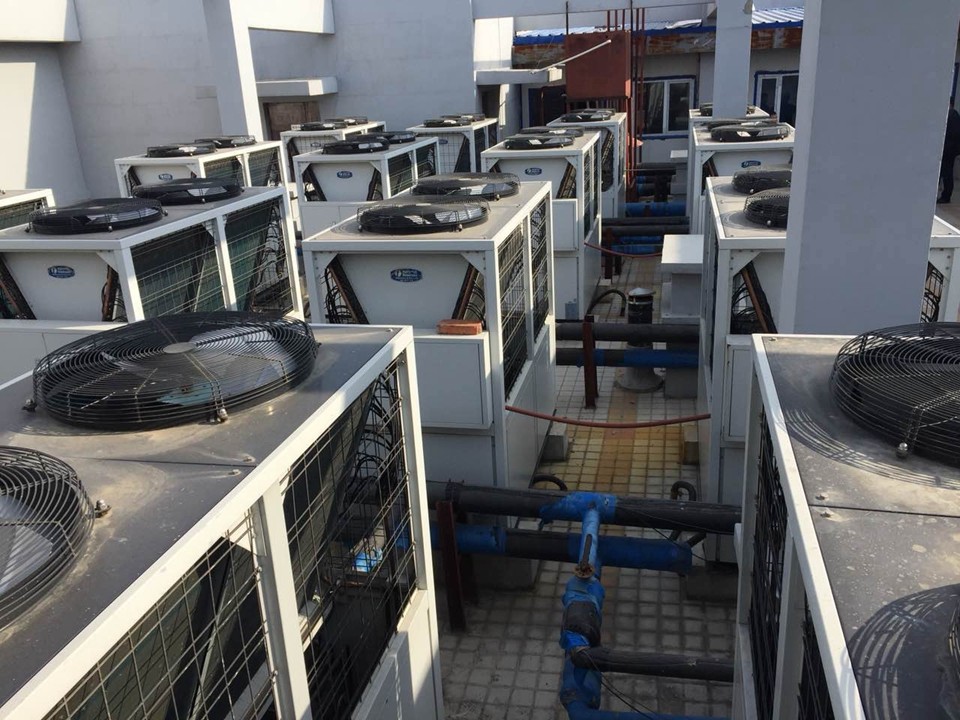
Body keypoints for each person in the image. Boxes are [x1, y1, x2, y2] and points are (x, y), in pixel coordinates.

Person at [939, 101, 960, 204]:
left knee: (947, 172)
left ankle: (946, 196)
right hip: (950, 149)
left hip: (948, 149)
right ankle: (945, 195)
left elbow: (952, 134)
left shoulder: (952, 115)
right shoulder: (953, 115)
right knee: (946, 171)